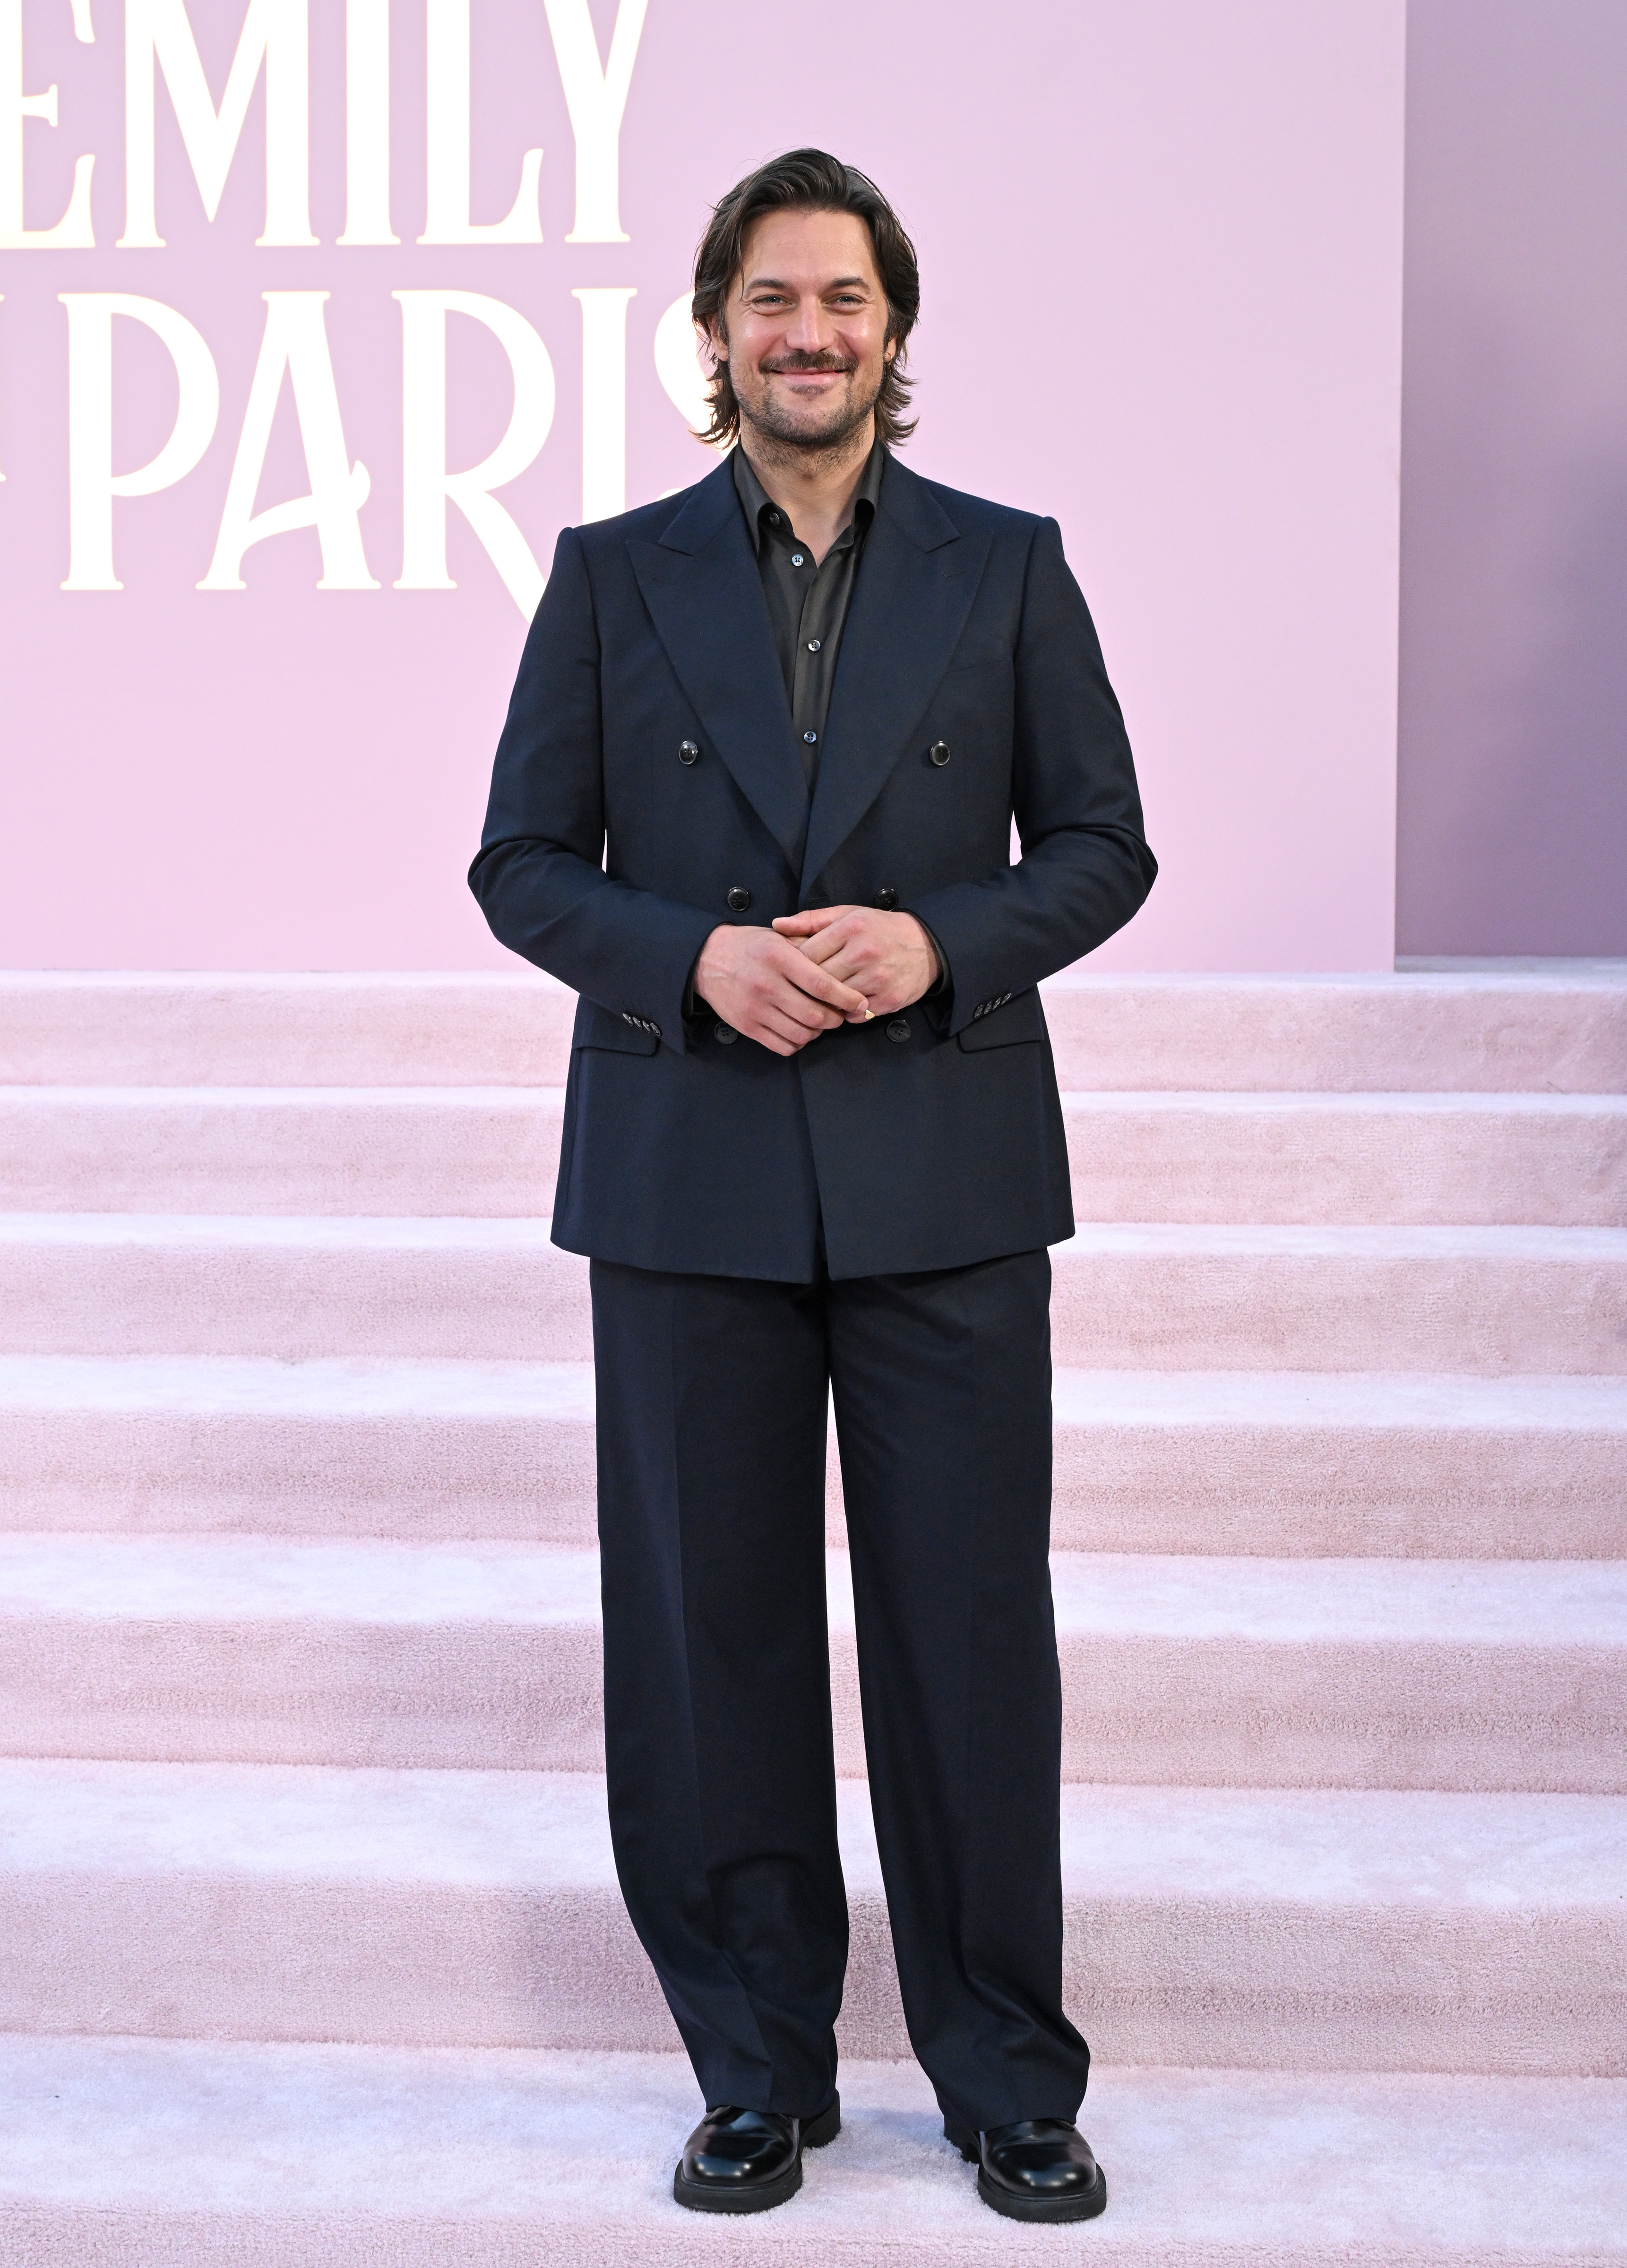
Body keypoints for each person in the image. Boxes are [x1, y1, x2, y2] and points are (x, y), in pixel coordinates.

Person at [470, 147, 1155, 2225]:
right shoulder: (609, 575)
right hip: (687, 1177)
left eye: (843, 299)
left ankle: (1007, 2080)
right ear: (714, 330)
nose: (808, 332)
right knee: (713, 1643)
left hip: (943, 1167)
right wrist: (688, 957)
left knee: (967, 1636)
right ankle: (757, 2070)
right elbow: (520, 866)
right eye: (771, 299)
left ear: (894, 333)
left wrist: (946, 941)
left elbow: (1105, 845)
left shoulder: (1010, 567)